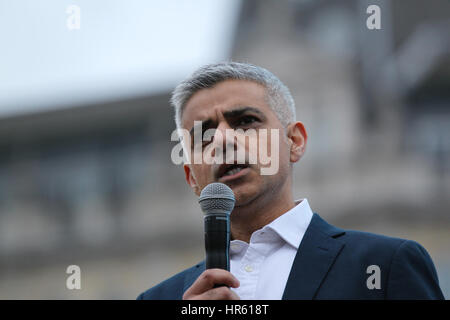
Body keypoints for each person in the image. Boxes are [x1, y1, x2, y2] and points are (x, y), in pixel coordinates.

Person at [137, 62, 444, 300]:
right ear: (191, 176)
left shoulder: (384, 265)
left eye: (245, 121)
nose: (223, 141)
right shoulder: (159, 298)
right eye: (204, 135)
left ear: (294, 141)